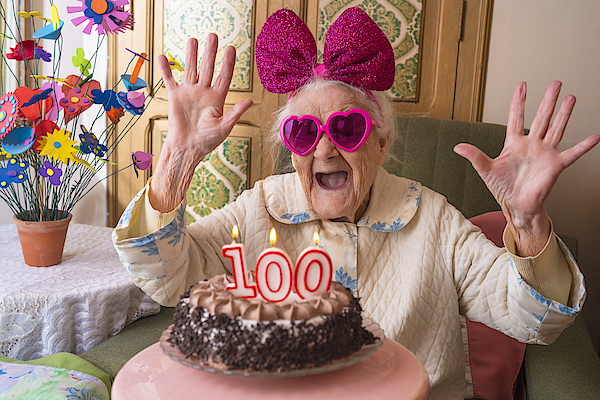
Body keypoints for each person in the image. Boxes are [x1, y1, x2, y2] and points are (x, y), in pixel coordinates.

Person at [113, 8, 599, 400]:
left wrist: (528, 221)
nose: (324, 150)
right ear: (290, 148)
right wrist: (175, 163)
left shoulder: (431, 218)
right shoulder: (261, 205)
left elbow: (535, 318)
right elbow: (168, 280)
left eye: (346, 129)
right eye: (303, 133)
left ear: (380, 143)